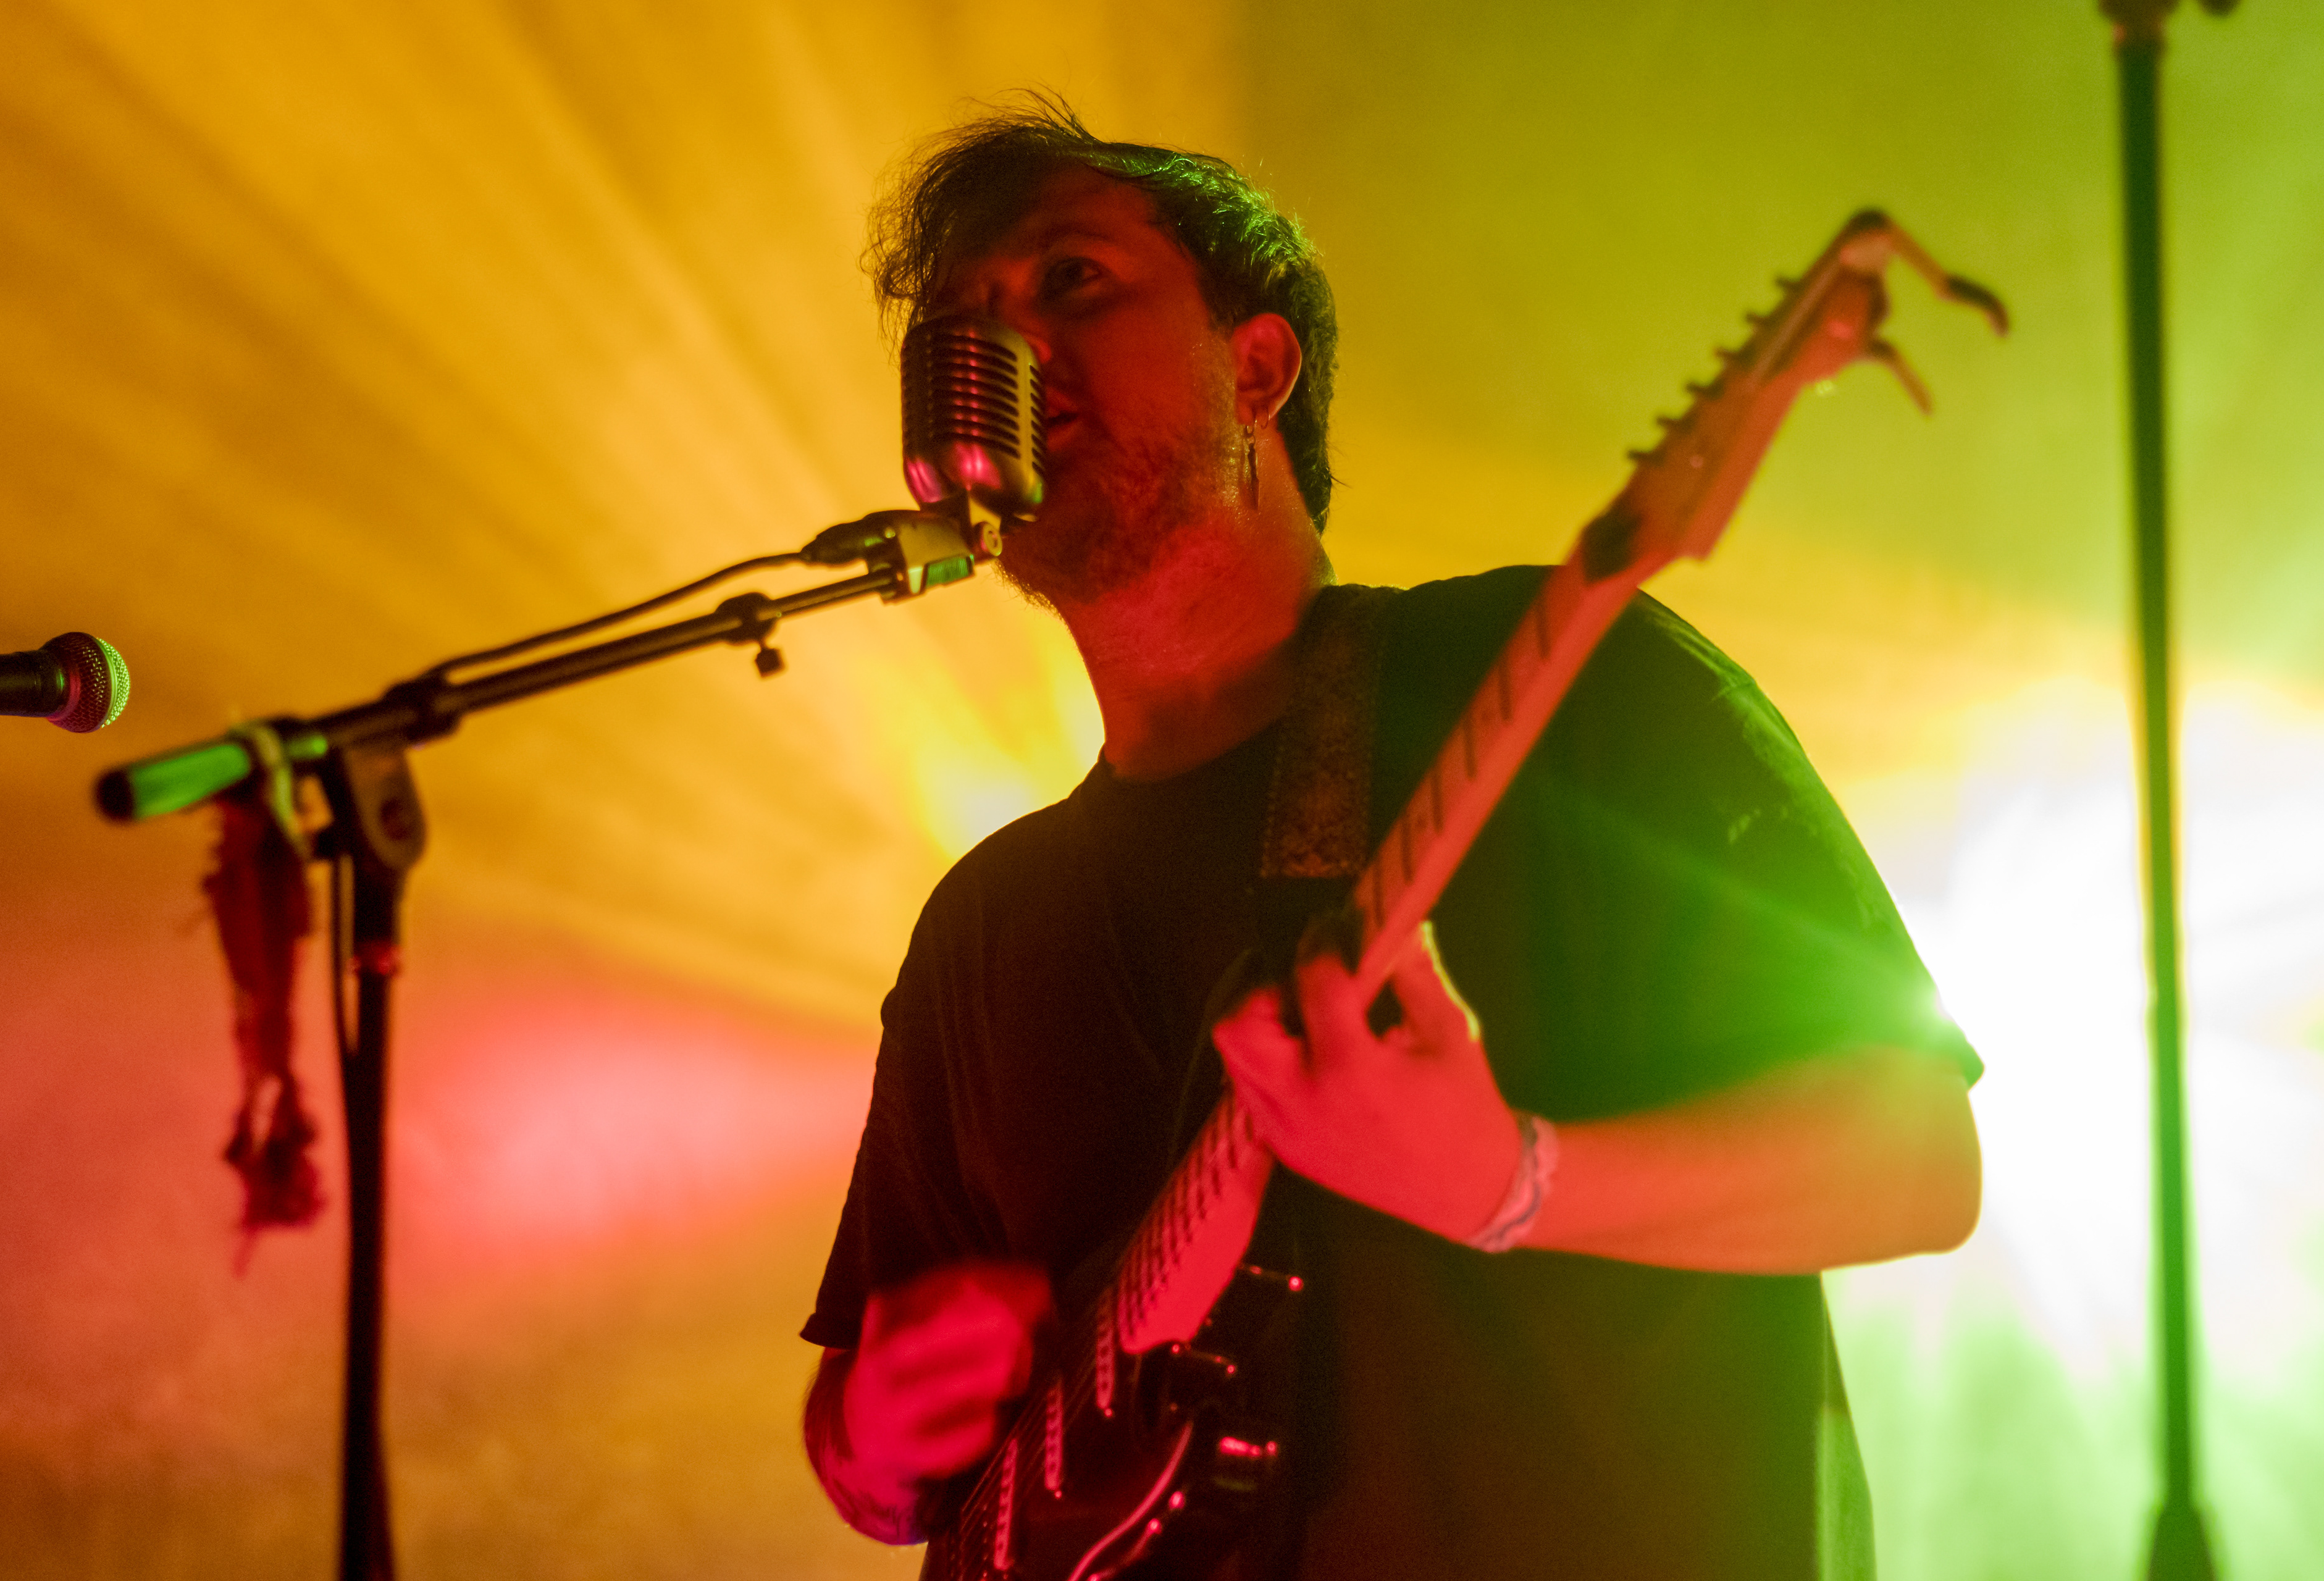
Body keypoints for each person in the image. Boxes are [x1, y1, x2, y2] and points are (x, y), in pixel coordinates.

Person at [799, 99, 1982, 1580]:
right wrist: (862, 1435)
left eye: (1073, 281)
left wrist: (1516, 1176)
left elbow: (1920, 1157)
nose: (1011, 353)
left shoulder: (1553, 680)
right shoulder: (983, 926)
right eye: (967, 324)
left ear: (1259, 367)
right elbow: (893, 1453)